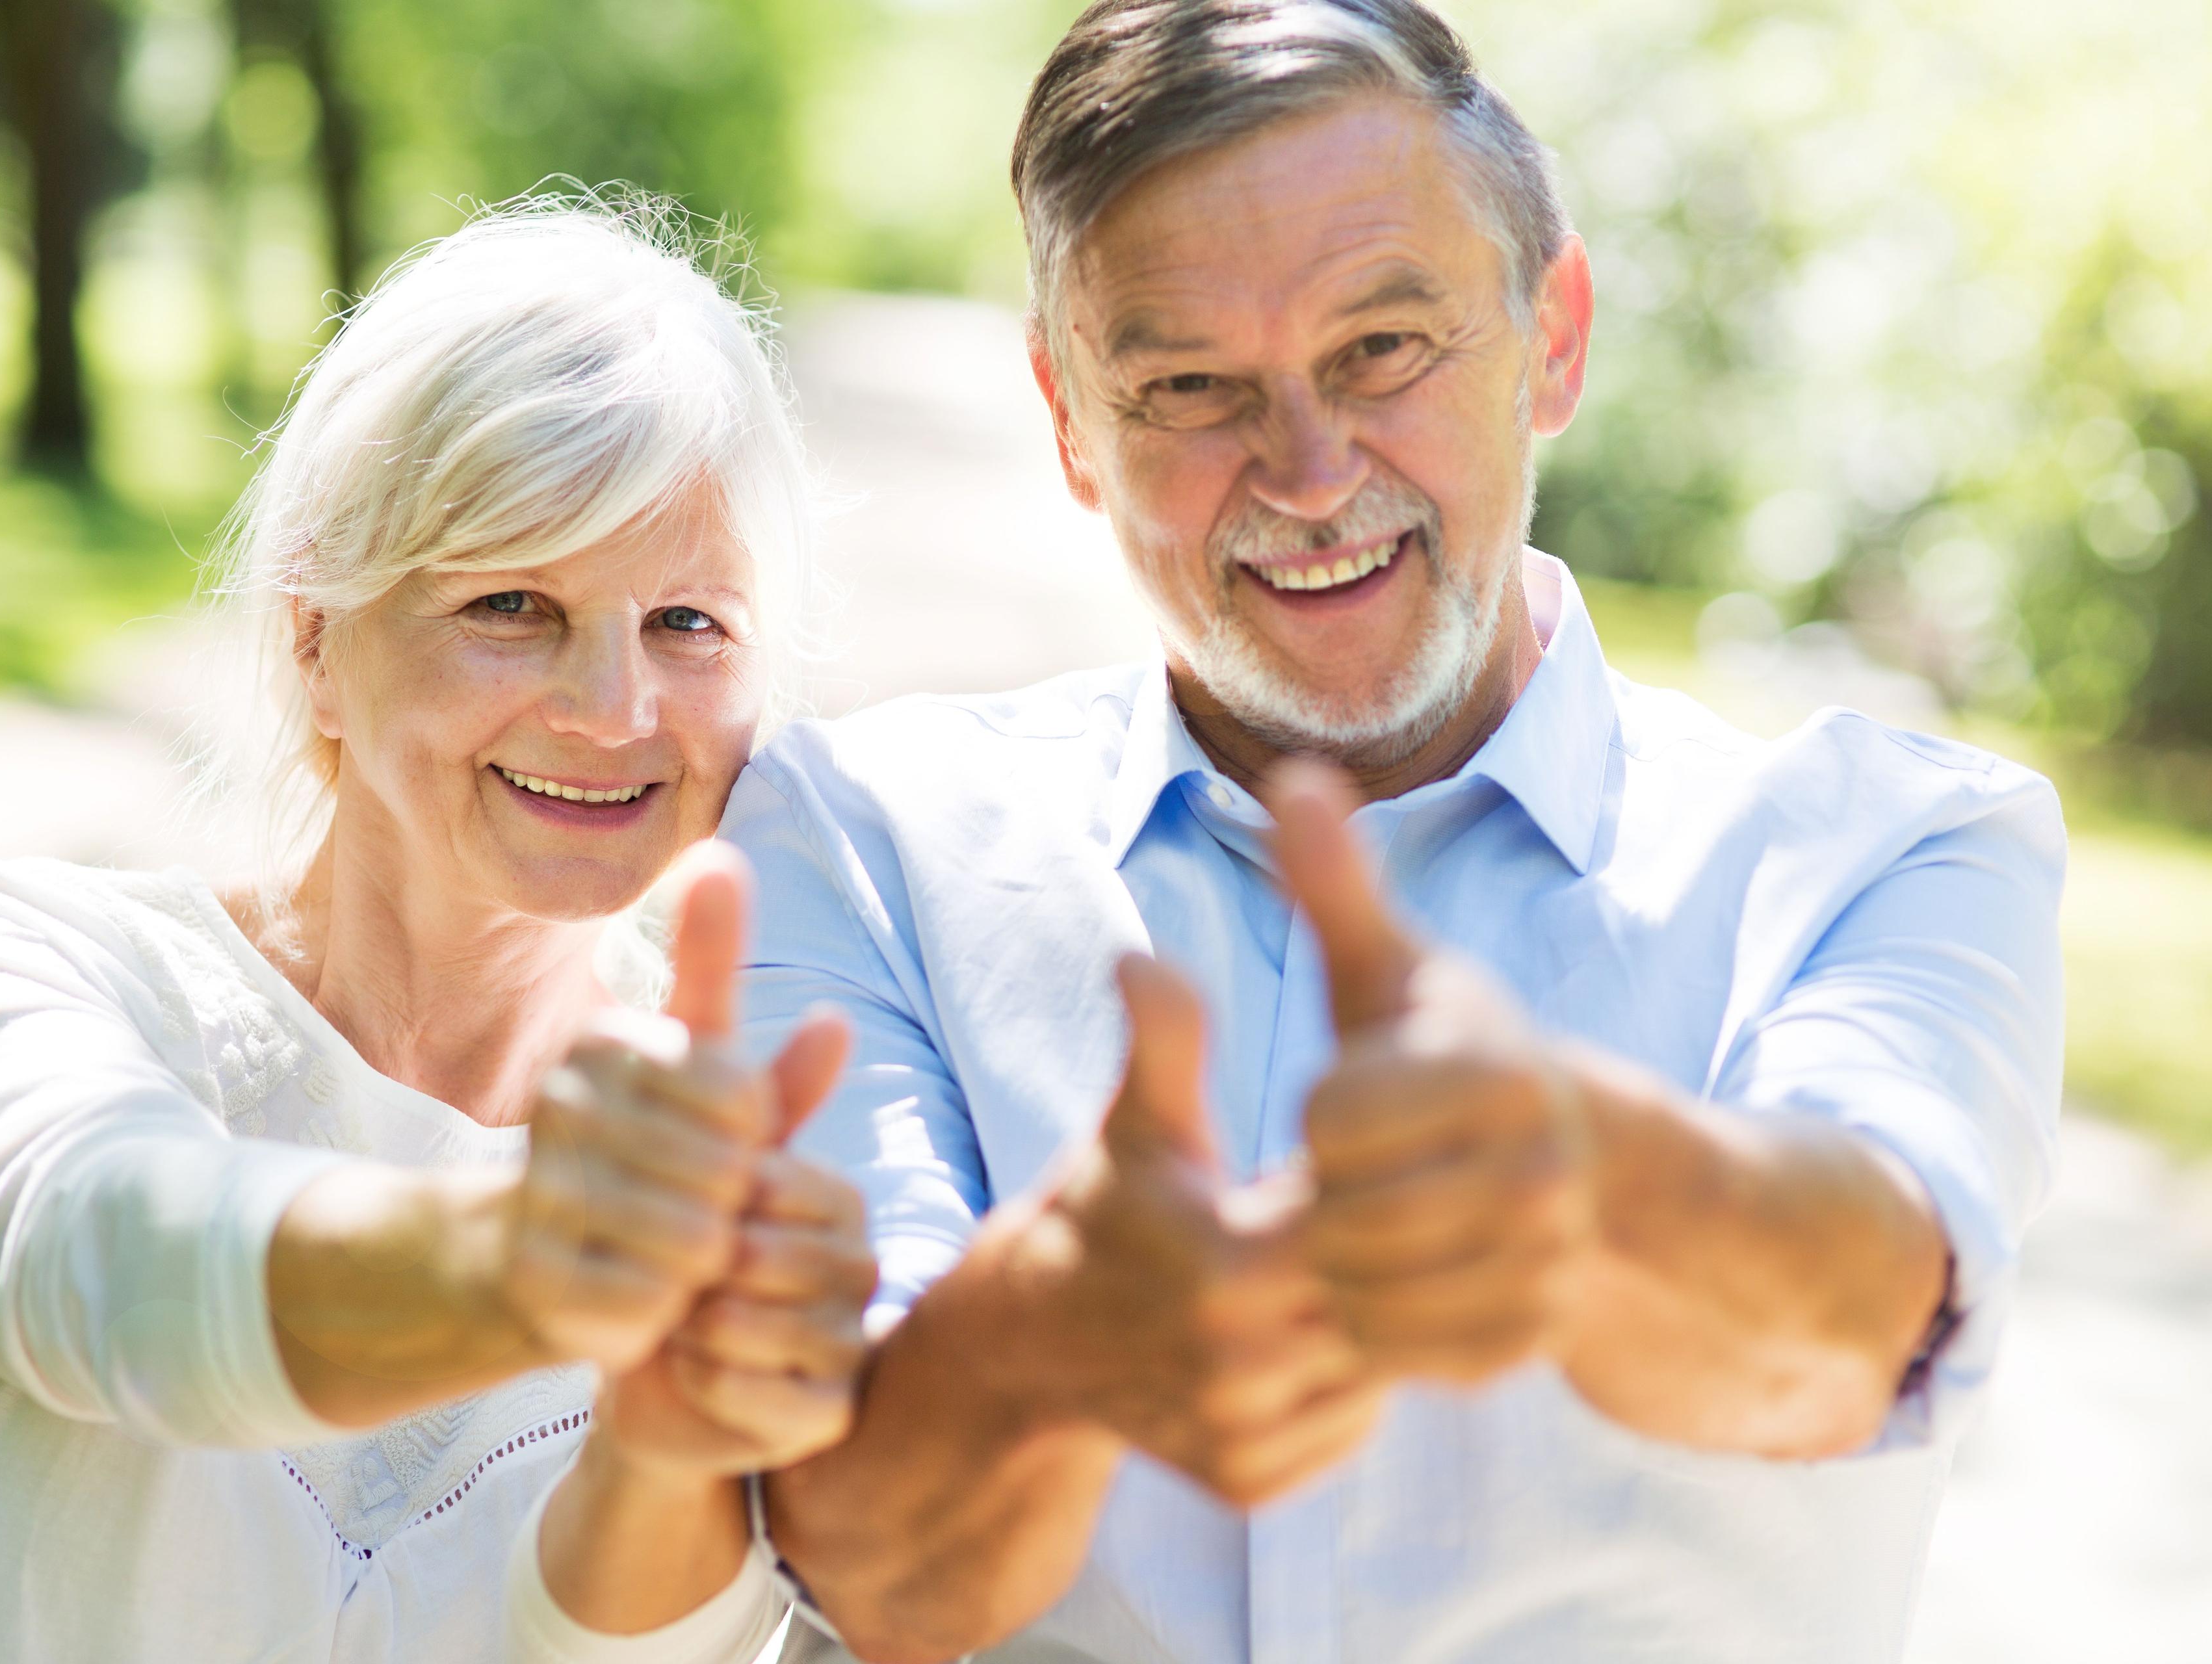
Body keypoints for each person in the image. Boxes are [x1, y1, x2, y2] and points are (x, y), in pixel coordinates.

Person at [725, 3, 2065, 1661]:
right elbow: (857, 1556)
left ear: (1553, 332)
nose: (1303, 469)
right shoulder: (860, 840)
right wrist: (1046, 1335)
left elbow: (1842, 1330)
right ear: (1072, 420)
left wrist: (1589, 1185)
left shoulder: (1895, 843)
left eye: (1382, 349)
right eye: (1191, 385)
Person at [0, 198, 877, 1664]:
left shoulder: (751, 1158)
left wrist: (673, 1415)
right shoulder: (22, 973)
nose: (615, 709)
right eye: (512, 603)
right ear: (317, 639)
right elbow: (126, 1278)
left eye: (689, 623)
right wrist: (537, 1259)